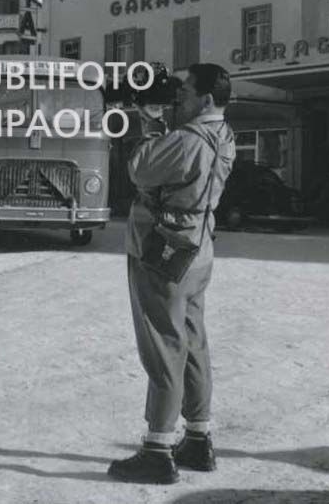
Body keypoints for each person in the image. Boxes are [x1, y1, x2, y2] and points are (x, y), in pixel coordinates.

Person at [108, 63, 236, 485]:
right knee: (193, 340)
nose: (178, 95)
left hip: (164, 249)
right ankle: (198, 439)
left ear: (206, 99)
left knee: (163, 346)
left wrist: (149, 126)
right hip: (198, 247)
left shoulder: (186, 139)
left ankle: (158, 450)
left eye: (184, 90)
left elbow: (140, 169)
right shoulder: (224, 135)